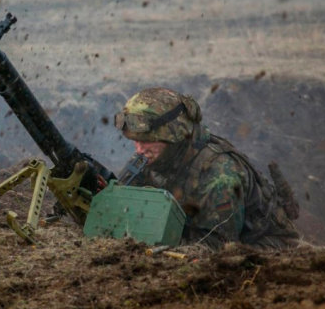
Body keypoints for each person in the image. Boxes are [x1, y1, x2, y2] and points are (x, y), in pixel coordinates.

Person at [114, 87, 300, 249]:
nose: (138, 149)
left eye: (147, 141)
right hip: (194, 235)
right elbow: (121, 203)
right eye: (135, 141)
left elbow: (216, 248)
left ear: (174, 137)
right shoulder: (154, 155)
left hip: (263, 249)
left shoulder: (220, 175)